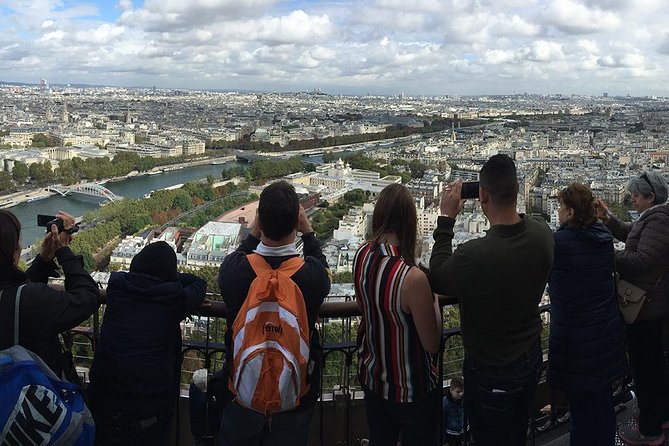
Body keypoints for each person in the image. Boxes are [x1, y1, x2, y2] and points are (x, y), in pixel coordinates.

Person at [429, 154, 554, 445]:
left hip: (491, 367)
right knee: (517, 431)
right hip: (531, 355)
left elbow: (438, 277)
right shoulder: (542, 233)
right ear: (516, 190)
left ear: (482, 194)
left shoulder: (475, 255)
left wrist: (446, 220)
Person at [217, 180, 330, 446]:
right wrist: (309, 233)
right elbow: (323, 267)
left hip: (242, 396)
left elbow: (237, 256)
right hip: (292, 400)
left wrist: (253, 233)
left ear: (260, 222)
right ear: (296, 222)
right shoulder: (311, 277)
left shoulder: (235, 272)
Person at [88, 241, 207, 445]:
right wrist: (173, 278)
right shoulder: (171, 298)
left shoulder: (117, 288)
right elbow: (199, 284)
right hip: (147, 408)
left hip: (103, 399)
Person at [354, 183, 441, 446]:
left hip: (373, 378)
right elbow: (432, 342)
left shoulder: (361, 255)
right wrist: (433, 295)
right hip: (409, 388)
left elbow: (365, 309)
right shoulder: (411, 277)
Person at [547, 183, 626, 446]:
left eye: (560, 207)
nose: (557, 211)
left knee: (580, 410)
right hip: (604, 333)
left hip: (575, 339)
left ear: (570, 212)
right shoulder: (603, 238)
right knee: (602, 403)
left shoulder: (559, 244)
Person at [595, 171, 669, 446]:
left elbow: (641, 260)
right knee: (654, 367)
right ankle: (660, 415)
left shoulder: (660, 220)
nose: (632, 199)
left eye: (636, 196)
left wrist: (604, 253)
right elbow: (636, 237)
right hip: (654, 302)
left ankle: (650, 431)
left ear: (651, 197)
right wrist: (610, 222)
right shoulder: (656, 217)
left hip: (647, 307)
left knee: (645, 368)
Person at [0, 210, 100, 378]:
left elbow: (16, 297)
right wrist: (64, 251)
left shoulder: (23, 298)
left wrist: (43, 260)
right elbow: (88, 297)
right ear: (12, 250)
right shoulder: (32, 300)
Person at [442, 376, 465, 446]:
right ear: (451, 390)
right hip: (451, 434)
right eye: (458, 392)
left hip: (464, 431)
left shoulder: (465, 399)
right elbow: (442, 421)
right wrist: (444, 440)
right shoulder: (445, 402)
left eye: (462, 391)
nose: (461, 394)